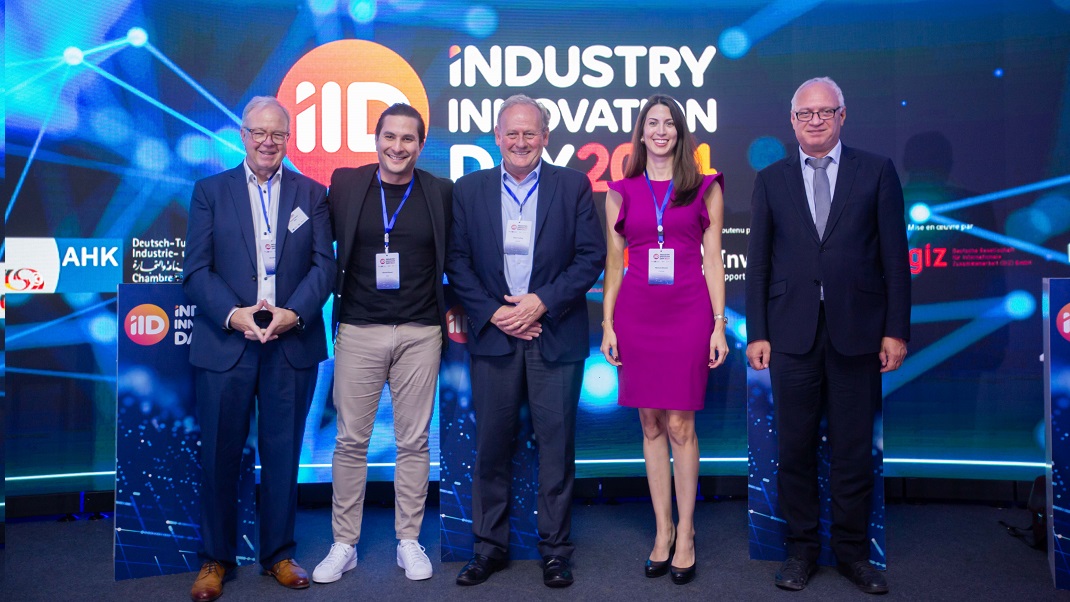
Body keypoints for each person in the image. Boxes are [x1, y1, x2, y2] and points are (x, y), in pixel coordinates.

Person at [745, 77, 910, 595]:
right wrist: (757, 332)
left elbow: (895, 259)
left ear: (842, 115)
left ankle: (853, 554)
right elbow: (758, 264)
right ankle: (800, 551)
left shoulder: (876, 171)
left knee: (853, 450)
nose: (814, 120)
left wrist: (895, 331)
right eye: (805, 113)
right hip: (790, 335)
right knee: (794, 449)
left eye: (824, 111)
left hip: (858, 333)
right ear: (792, 121)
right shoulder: (771, 179)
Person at [445, 94, 605, 588]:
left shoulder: (574, 185)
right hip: (494, 336)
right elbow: (456, 261)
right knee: (492, 445)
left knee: (556, 448)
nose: (520, 141)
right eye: (511, 133)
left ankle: (555, 551)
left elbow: (591, 256)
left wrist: (541, 302)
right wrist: (496, 313)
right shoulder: (468, 189)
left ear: (545, 137)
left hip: (553, 332)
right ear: (497, 136)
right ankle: (488, 548)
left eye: (529, 132)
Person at [184, 95, 336, 601]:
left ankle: (279, 555)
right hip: (227, 342)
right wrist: (235, 315)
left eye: (278, 134)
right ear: (242, 136)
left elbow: (325, 267)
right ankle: (215, 559)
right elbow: (195, 270)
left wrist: (295, 313)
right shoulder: (210, 191)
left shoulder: (312, 194)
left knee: (283, 455)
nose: (268, 142)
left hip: (290, 344)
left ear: (288, 139)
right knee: (219, 457)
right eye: (259, 133)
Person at [312, 103, 452, 584]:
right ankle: (344, 544)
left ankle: (408, 540)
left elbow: (459, 256)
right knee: (350, 440)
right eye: (390, 136)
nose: (398, 146)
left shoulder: (439, 191)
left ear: (421, 144)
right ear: (376, 139)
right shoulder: (346, 185)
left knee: (414, 441)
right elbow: (315, 246)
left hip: (420, 332)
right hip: (358, 329)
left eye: (408, 138)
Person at [600, 94, 728, 585]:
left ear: (679, 132)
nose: (660, 130)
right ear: (641, 132)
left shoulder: (705, 187)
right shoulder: (620, 191)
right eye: (652, 122)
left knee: (680, 425)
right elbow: (615, 263)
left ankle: (687, 533)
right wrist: (608, 324)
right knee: (650, 423)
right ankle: (663, 530)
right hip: (636, 315)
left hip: (689, 312)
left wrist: (718, 323)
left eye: (668, 123)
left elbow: (713, 259)